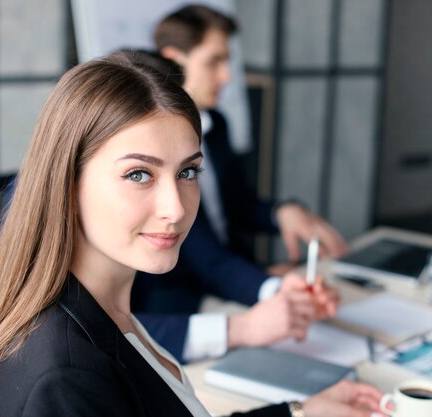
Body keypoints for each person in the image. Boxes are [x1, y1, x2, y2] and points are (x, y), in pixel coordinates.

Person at [0, 52, 382, 417]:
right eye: (139, 174)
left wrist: (299, 413)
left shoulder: (106, 308)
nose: (176, 208)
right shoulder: (67, 377)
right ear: (66, 182)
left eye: (188, 171)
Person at [132, 5, 345, 362]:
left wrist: (282, 213)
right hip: (176, 304)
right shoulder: (147, 147)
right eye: (215, 61)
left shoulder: (215, 125)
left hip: (224, 285)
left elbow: (237, 206)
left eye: (188, 172)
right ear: (174, 61)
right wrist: (267, 291)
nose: (228, 76)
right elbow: (202, 254)